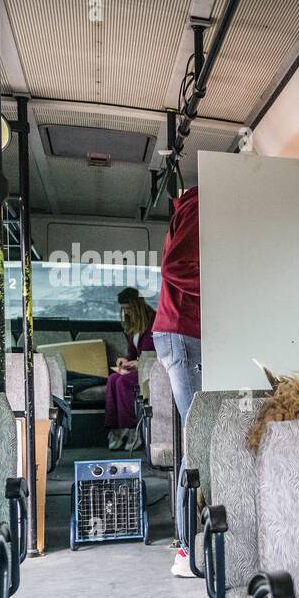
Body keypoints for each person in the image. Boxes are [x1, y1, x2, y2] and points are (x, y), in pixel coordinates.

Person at [152, 186, 201, 577]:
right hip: (184, 332)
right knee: (197, 437)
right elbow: (176, 268)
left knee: (197, 435)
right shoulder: (204, 203)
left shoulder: (193, 205)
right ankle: (186, 551)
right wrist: (224, 290)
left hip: (183, 331)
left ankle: (190, 545)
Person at [104, 287, 156, 449]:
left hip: (151, 369)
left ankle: (133, 429)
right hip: (138, 368)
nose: (126, 313)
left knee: (123, 382)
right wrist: (125, 360)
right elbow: (132, 353)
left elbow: (156, 354)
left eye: (128, 309)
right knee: (113, 379)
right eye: (123, 310)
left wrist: (139, 364)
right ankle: (116, 429)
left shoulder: (153, 321)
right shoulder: (133, 326)